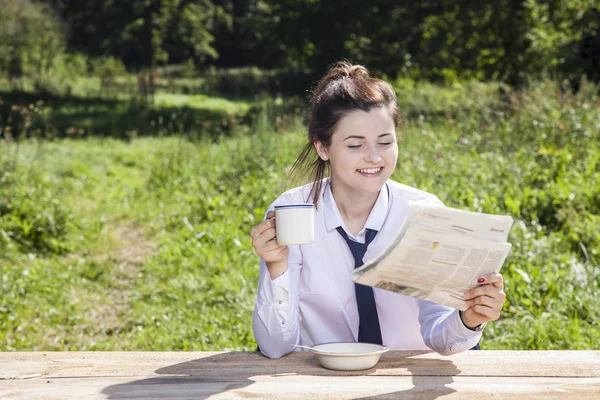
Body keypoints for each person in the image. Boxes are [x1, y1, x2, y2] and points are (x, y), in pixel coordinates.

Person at [249, 62, 506, 359]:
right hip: (323, 380)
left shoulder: (423, 213)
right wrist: (276, 268)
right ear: (322, 148)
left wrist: (469, 318)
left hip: (411, 380)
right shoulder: (293, 212)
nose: (374, 157)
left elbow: (444, 340)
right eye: (355, 145)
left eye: (385, 142)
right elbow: (275, 346)